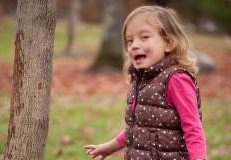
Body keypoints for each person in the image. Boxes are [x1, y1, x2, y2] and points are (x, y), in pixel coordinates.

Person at [84, 5, 207, 160]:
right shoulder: (142, 81)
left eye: (144, 37)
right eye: (129, 41)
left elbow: (193, 128)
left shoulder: (176, 79)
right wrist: (111, 146)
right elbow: (138, 127)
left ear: (168, 43)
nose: (134, 45)